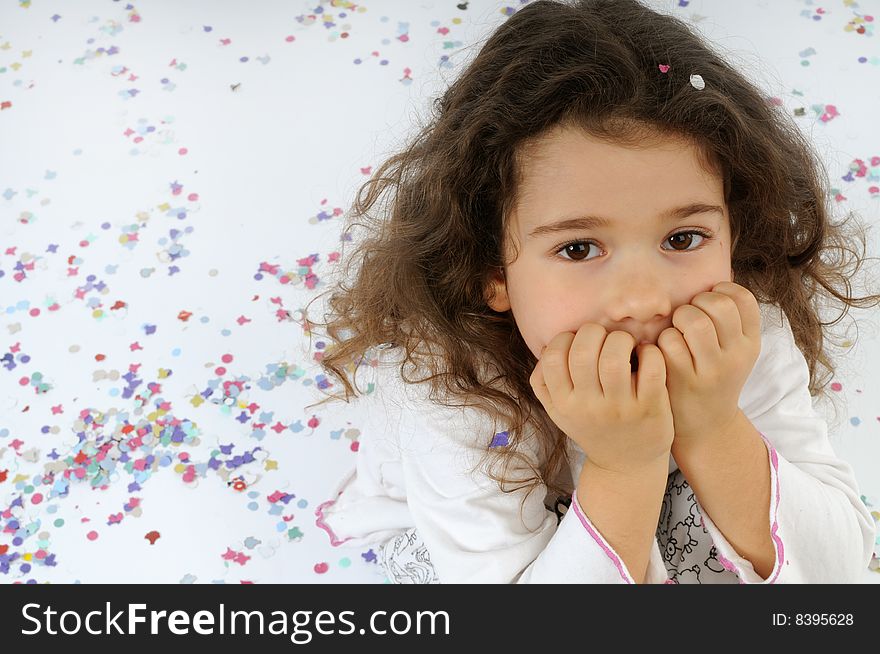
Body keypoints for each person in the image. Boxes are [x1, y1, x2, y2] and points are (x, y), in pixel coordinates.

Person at [306, 0, 879, 583]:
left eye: (683, 237)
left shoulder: (736, 334)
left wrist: (713, 424)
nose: (644, 299)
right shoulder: (453, 391)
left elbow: (839, 576)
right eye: (579, 248)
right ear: (492, 271)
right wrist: (623, 468)